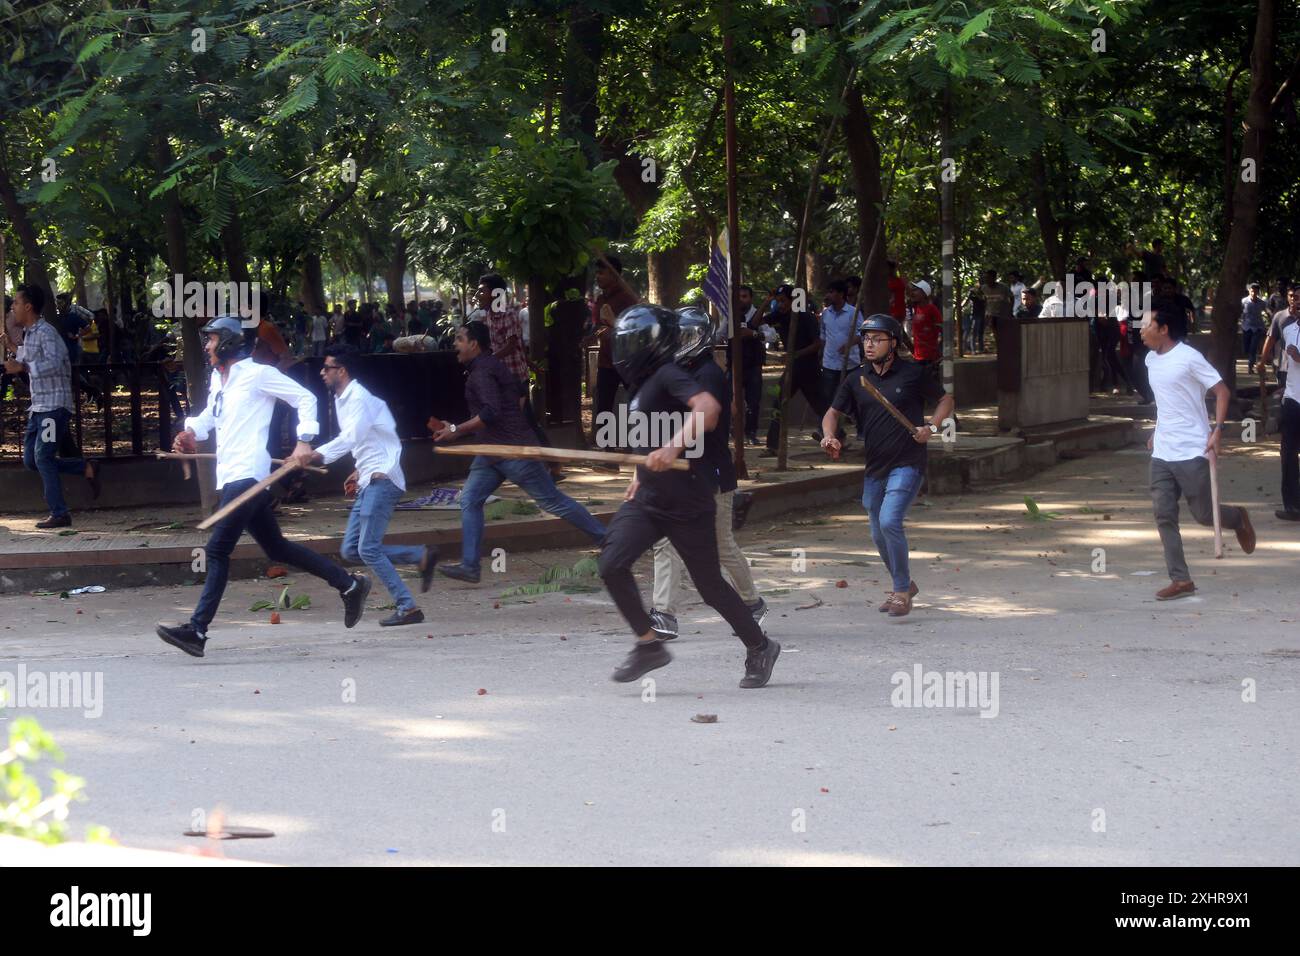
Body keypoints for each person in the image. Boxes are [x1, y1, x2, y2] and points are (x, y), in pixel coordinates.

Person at [156, 317, 371, 657]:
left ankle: (196, 630)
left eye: (212, 340)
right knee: (278, 549)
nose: (208, 347)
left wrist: (304, 442)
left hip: (248, 476)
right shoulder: (219, 380)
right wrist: (189, 433)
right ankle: (349, 584)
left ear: (228, 343)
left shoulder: (258, 374)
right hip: (233, 475)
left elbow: (305, 399)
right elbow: (209, 418)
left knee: (215, 551)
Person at [598, 305, 779, 688]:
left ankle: (760, 646)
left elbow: (708, 409)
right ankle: (650, 646)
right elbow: (645, 438)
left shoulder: (669, 374)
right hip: (648, 499)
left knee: (709, 585)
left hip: (688, 503)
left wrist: (674, 448)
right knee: (612, 564)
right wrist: (638, 472)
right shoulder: (641, 384)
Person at [433, 322, 606, 583]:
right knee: (470, 500)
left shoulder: (482, 372)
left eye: (459, 339)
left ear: (474, 344)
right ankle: (470, 565)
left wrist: (457, 428)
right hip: (491, 451)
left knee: (552, 501)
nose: (455, 344)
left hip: (512, 451)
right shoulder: (491, 366)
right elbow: (518, 395)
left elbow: (490, 412)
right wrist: (461, 431)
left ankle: (609, 541)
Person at [820, 314, 953, 618]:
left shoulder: (913, 373)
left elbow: (946, 400)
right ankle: (905, 583)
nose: (869, 344)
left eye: (877, 339)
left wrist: (931, 427)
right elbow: (832, 413)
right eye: (866, 338)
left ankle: (901, 592)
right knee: (878, 530)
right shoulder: (857, 378)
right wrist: (830, 436)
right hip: (875, 465)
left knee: (890, 520)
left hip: (908, 461)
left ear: (893, 343)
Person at [293, 345, 437, 626]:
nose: (322, 373)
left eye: (327, 368)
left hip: (382, 479)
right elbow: (367, 441)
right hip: (369, 477)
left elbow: (350, 438)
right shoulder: (343, 399)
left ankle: (408, 607)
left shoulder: (359, 398)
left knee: (368, 549)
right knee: (351, 550)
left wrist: (313, 453)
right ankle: (421, 555)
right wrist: (358, 469)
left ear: (341, 371)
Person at [649, 308, 767, 639]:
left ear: (699, 339)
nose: (677, 343)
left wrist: (671, 446)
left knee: (720, 544)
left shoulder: (709, 376)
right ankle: (664, 614)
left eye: (683, 337)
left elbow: (706, 420)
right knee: (666, 541)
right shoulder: (678, 371)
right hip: (680, 475)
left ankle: (752, 602)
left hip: (709, 475)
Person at [1142, 305, 1254, 601]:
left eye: (1147, 324)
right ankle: (1181, 580)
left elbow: (1222, 391)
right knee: (1163, 514)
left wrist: (1217, 430)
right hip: (1163, 451)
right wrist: (1157, 429)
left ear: (1164, 328)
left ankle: (1237, 518)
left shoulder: (1189, 358)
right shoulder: (1150, 359)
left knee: (1204, 514)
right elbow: (1167, 401)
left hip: (1193, 448)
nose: (1141, 330)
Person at [4, 284, 100, 528]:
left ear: (28, 306)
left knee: (43, 457)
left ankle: (60, 513)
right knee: (31, 460)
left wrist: (22, 368)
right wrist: (12, 349)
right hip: (39, 407)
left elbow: (55, 364)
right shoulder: (31, 333)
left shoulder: (46, 332)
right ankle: (84, 466)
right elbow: (30, 357)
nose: (12, 307)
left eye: (15, 302)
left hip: (53, 405)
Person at [764, 283, 827, 452]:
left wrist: (796, 354)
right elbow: (755, 322)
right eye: (778, 301)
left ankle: (837, 434)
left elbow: (817, 344)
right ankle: (773, 445)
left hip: (809, 369)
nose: (781, 305)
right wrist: (766, 302)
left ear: (793, 300)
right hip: (793, 369)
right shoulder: (779, 316)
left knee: (820, 405)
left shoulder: (806, 318)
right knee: (778, 401)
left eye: (784, 301)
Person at [590, 255, 639, 434]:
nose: (597, 277)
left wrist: (614, 326)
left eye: (601, 273)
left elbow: (635, 330)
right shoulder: (600, 300)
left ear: (613, 275)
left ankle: (642, 447)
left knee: (639, 403)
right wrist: (597, 333)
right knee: (604, 409)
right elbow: (597, 327)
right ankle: (608, 454)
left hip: (628, 362)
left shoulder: (629, 299)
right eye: (596, 273)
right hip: (606, 362)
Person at [1268, 283, 1300, 520]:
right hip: (1292, 400)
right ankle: (1292, 505)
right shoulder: (1288, 329)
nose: (1297, 302)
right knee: (1288, 454)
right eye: (1295, 298)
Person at [819, 279, 858, 441]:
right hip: (829, 363)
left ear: (841, 294)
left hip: (849, 364)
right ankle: (834, 434)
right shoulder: (825, 314)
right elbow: (822, 336)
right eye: (828, 292)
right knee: (830, 399)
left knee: (853, 398)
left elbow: (861, 333)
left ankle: (861, 429)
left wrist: (849, 344)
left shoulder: (853, 313)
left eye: (832, 292)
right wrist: (820, 355)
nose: (829, 295)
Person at [1260, 283, 1300, 394]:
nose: (1293, 299)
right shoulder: (1280, 317)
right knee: (1285, 399)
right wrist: (1262, 362)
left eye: (1296, 297)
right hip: (1285, 368)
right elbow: (1270, 339)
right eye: (1291, 296)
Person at [905, 279, 942, 377]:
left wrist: (939, 351)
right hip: (918, 356)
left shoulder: (932, 309)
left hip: (930, 358)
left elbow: (941, 329)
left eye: (916, 290)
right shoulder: (916, 309)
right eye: (913, 290)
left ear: (924, 293)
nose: (913, 292)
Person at [1241, 283, 1269, 376]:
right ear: (1249, 291)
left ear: (1258, 292)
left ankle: (1250, 366)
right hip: (1246, 327)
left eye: (1255, 291)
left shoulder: (1261, 302)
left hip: (1257, 328)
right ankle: (1251, 360)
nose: (1253, 293)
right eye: (1252, 291)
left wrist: (1272, 317)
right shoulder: (1244, 301)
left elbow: (1267, 311)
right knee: (1246, 349)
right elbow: (1239, 312)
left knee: (1253, 348)